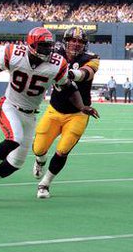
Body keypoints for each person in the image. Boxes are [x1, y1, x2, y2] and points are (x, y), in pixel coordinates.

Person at [0, 27, 98, 188]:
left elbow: (71, 86)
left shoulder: (58, 63)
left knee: (16, 162)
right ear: (31, 45)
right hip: (10, 106)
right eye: (43, 46)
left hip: (31, 114)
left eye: (49, 46)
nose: (47, 50)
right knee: (14, 139)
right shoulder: (14, 54)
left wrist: (82, 106)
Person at [32, 26, 101, 199]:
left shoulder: (92, 58)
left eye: (80, 41)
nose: (76, 44)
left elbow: (86, 74)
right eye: (72, 40)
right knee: (39, 148)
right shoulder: (53, 53)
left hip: (78, 113)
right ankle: (40, 161)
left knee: (63, 150)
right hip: (55, 109)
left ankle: (45, 184)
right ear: (66, 41)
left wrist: (67, 74)